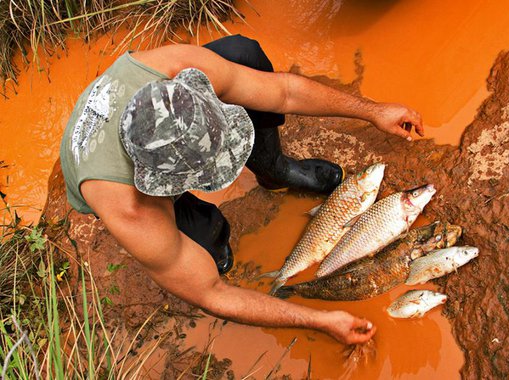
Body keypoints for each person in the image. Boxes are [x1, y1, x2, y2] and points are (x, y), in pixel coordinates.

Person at [59, 35, 423, 345]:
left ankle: (274, 170)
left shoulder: (178, 67)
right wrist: (320, 320)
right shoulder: (129, 207)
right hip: (113, 169)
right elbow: (210, 295)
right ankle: (215, 252)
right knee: (204, 236)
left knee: (242, 52)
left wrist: (373, 111)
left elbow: (282, 92)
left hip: (136, 121)